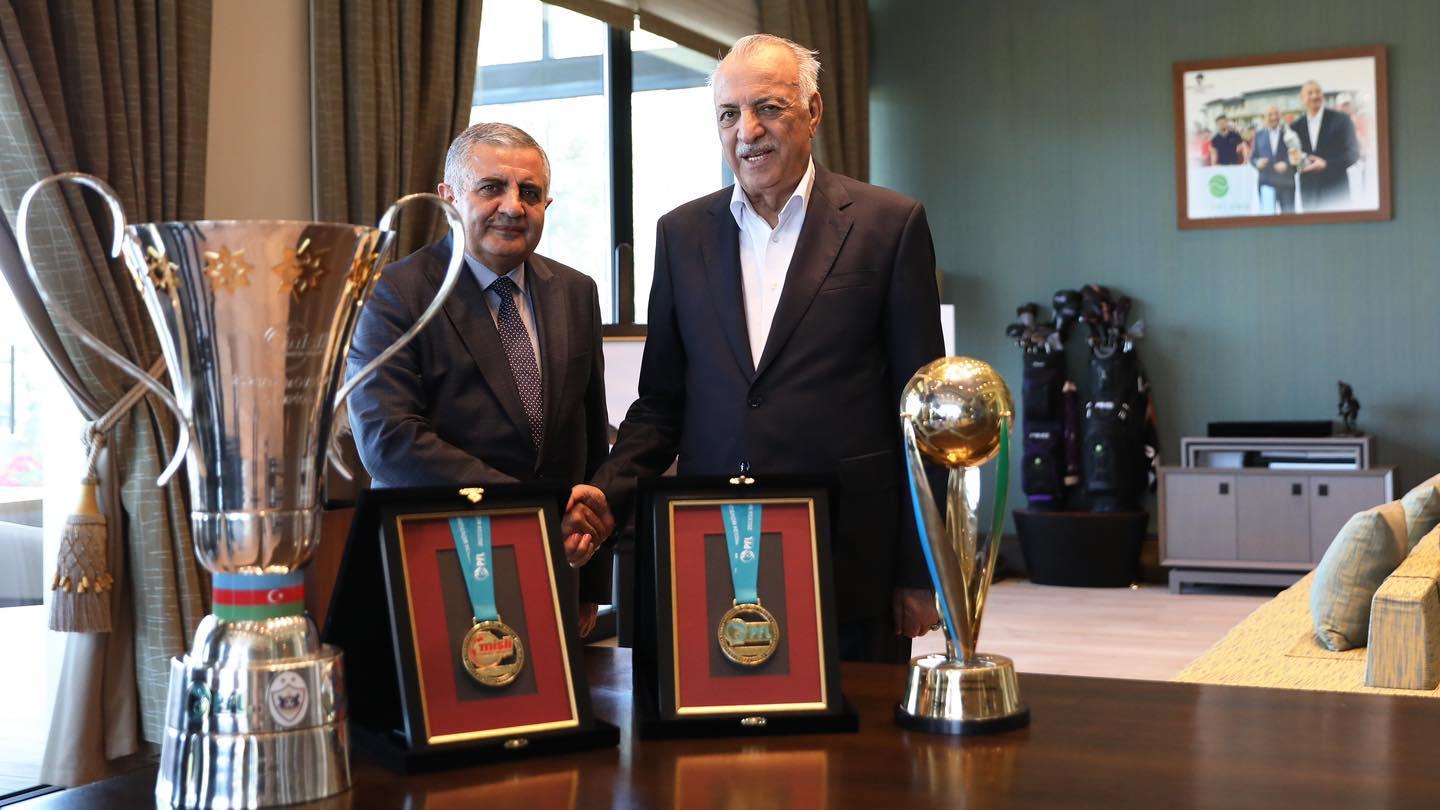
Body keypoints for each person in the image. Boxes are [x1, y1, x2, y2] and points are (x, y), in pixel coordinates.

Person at [587, 34, 944, 663]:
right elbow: (661, 404)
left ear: (813, 111)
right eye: (729, 114)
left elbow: (923, 415)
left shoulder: (890, 225)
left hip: (849, 555)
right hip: (715, 548)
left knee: (858, 727)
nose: (747, 131)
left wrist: (920, 571)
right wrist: (604, 493)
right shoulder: (680, 235)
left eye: (769, 108)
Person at [346, 123, 615, 635]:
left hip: (551, 566)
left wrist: (591, 582)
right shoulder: (392, 293)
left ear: (546, 204)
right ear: (448, 197)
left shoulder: (576, 291)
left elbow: (588, 438)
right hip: (432, 564)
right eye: (492, 187)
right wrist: (534, 510)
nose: (513, 206)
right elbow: (389, 441)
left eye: (530, 193)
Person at [1287, 80, 1360, 212]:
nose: (1315, 96)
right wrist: (1293, 163)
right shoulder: (1294, 127)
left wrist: (1327, 164)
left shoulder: (1342, 120)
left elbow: (1353, 153)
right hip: (1309, 196)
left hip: (1337, 193)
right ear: (1302, 98)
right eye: (1310, 93)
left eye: (1318, 92)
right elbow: (1294, 164)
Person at [1250, 104, 1296, 213]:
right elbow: (1253, 158)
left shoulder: (1289, 134)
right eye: (1270, 115)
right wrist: (1257, 163)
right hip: (1266, 183)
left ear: (1280, 116)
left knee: (1289, 218)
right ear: (1264, 118)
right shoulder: (1259, 135)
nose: (1274, 117)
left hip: (1286, 183)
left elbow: (1297, 155)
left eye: (1276, 114)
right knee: (1268, 218)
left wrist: (1287, 164)